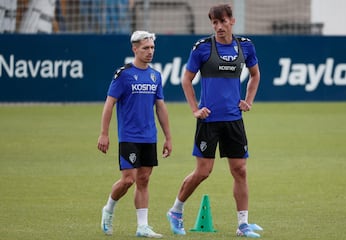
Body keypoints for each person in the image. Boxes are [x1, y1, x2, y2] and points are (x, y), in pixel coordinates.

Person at [166, 4, 262, 238]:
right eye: (214, 23)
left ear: (232, 21)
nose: (219, 27)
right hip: (209, 121)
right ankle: (176, 211)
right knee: (203, 172)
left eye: (223, 21)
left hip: (234, 120)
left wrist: (248, 100)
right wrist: (195, 109)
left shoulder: (245, 46)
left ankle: (243, 225)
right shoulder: (202, 48)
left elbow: (255, 74)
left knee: (240, 170)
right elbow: (186, 80)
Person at [98, 30, 172, 238]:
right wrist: (104, 133)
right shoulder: (123, 75)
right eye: (145, 48)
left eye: (152, 48)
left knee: (144, 179)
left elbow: (160, 107)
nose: (150, 52)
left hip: (150, 136)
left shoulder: (155, 75)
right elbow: (109, 104)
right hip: (129, 136)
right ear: (135, 49)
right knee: (128, 180)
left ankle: (142, 227)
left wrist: (168, 137)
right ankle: (109, 209)